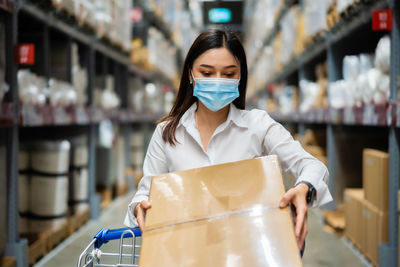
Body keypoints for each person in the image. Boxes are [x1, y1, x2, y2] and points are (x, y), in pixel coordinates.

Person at [124, 29, 333, 252]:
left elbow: (312, 165)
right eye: (206, 72)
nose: (218, 81)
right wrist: (140, 207)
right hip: (185, 251)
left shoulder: (258, 126)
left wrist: (304, 188)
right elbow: (145, 193)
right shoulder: (168, 133)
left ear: (240, 76)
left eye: (229, 74)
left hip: (244, 251)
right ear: (190, 75)